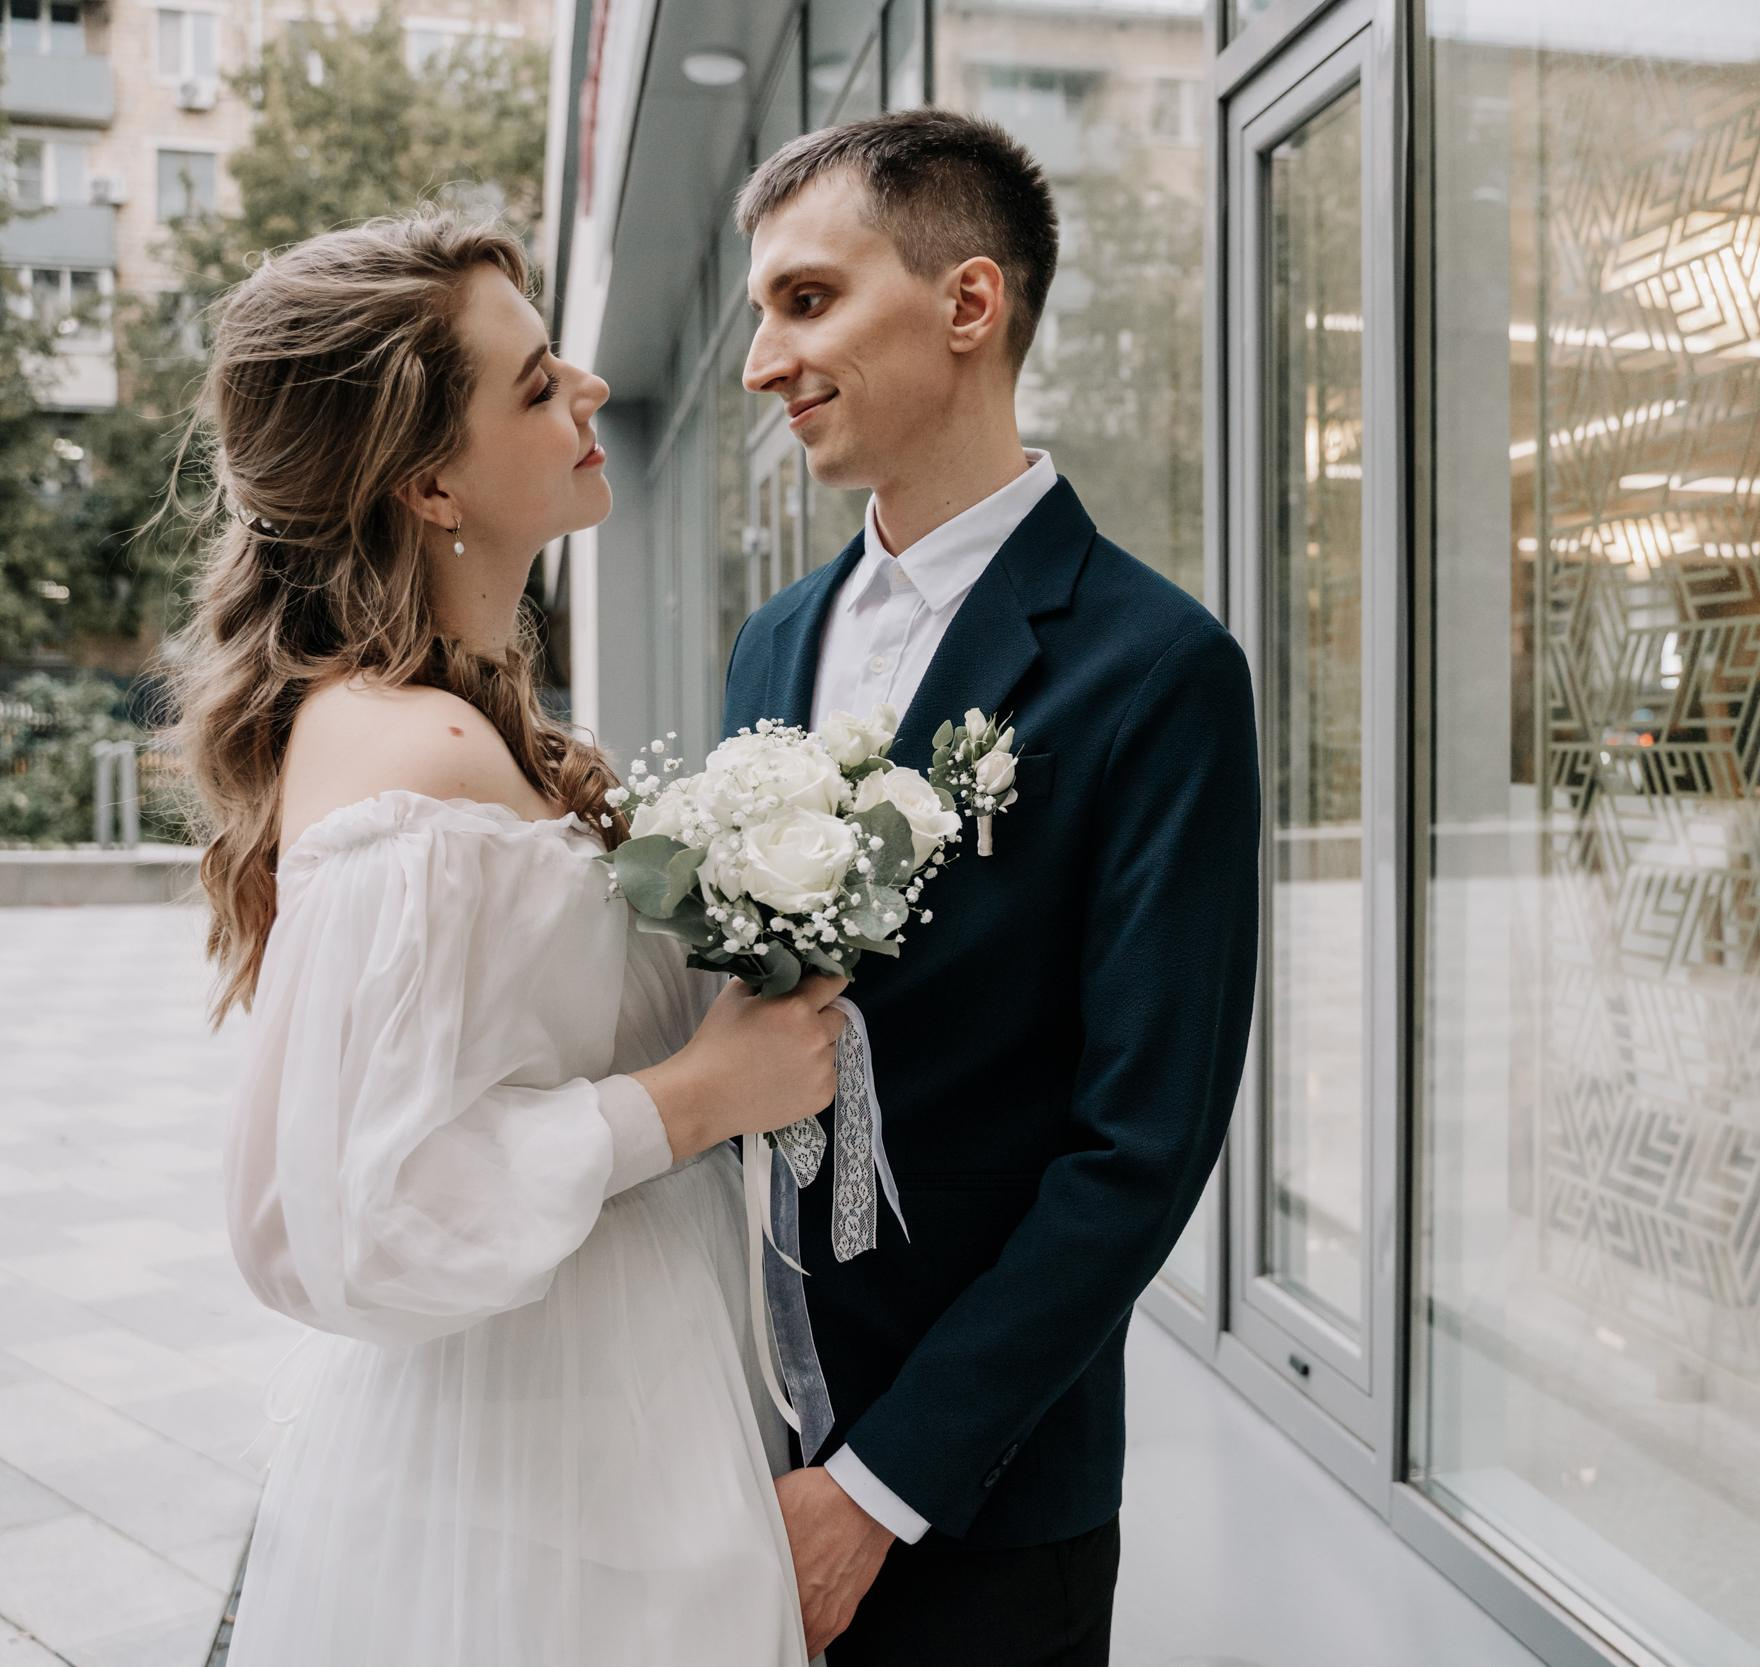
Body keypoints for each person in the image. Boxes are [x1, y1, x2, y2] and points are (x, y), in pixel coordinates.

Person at [180, 214, 833, 1665]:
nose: (589, 390)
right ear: (427, 483)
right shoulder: (404, 754)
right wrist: (700, 1097)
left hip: (619, 1392)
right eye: (536, 385)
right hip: (534, 1446)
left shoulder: (481, 730)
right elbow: (357, 1212)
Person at [725, 109, 1261, 1665]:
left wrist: (880, 1490)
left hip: (980, 1492)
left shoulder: (1159, 668)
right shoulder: (773, 640)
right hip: (734, 1437)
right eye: (760, 313)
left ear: (969, 303)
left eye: (807, 301)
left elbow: (1139, 1147)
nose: (761, 364)